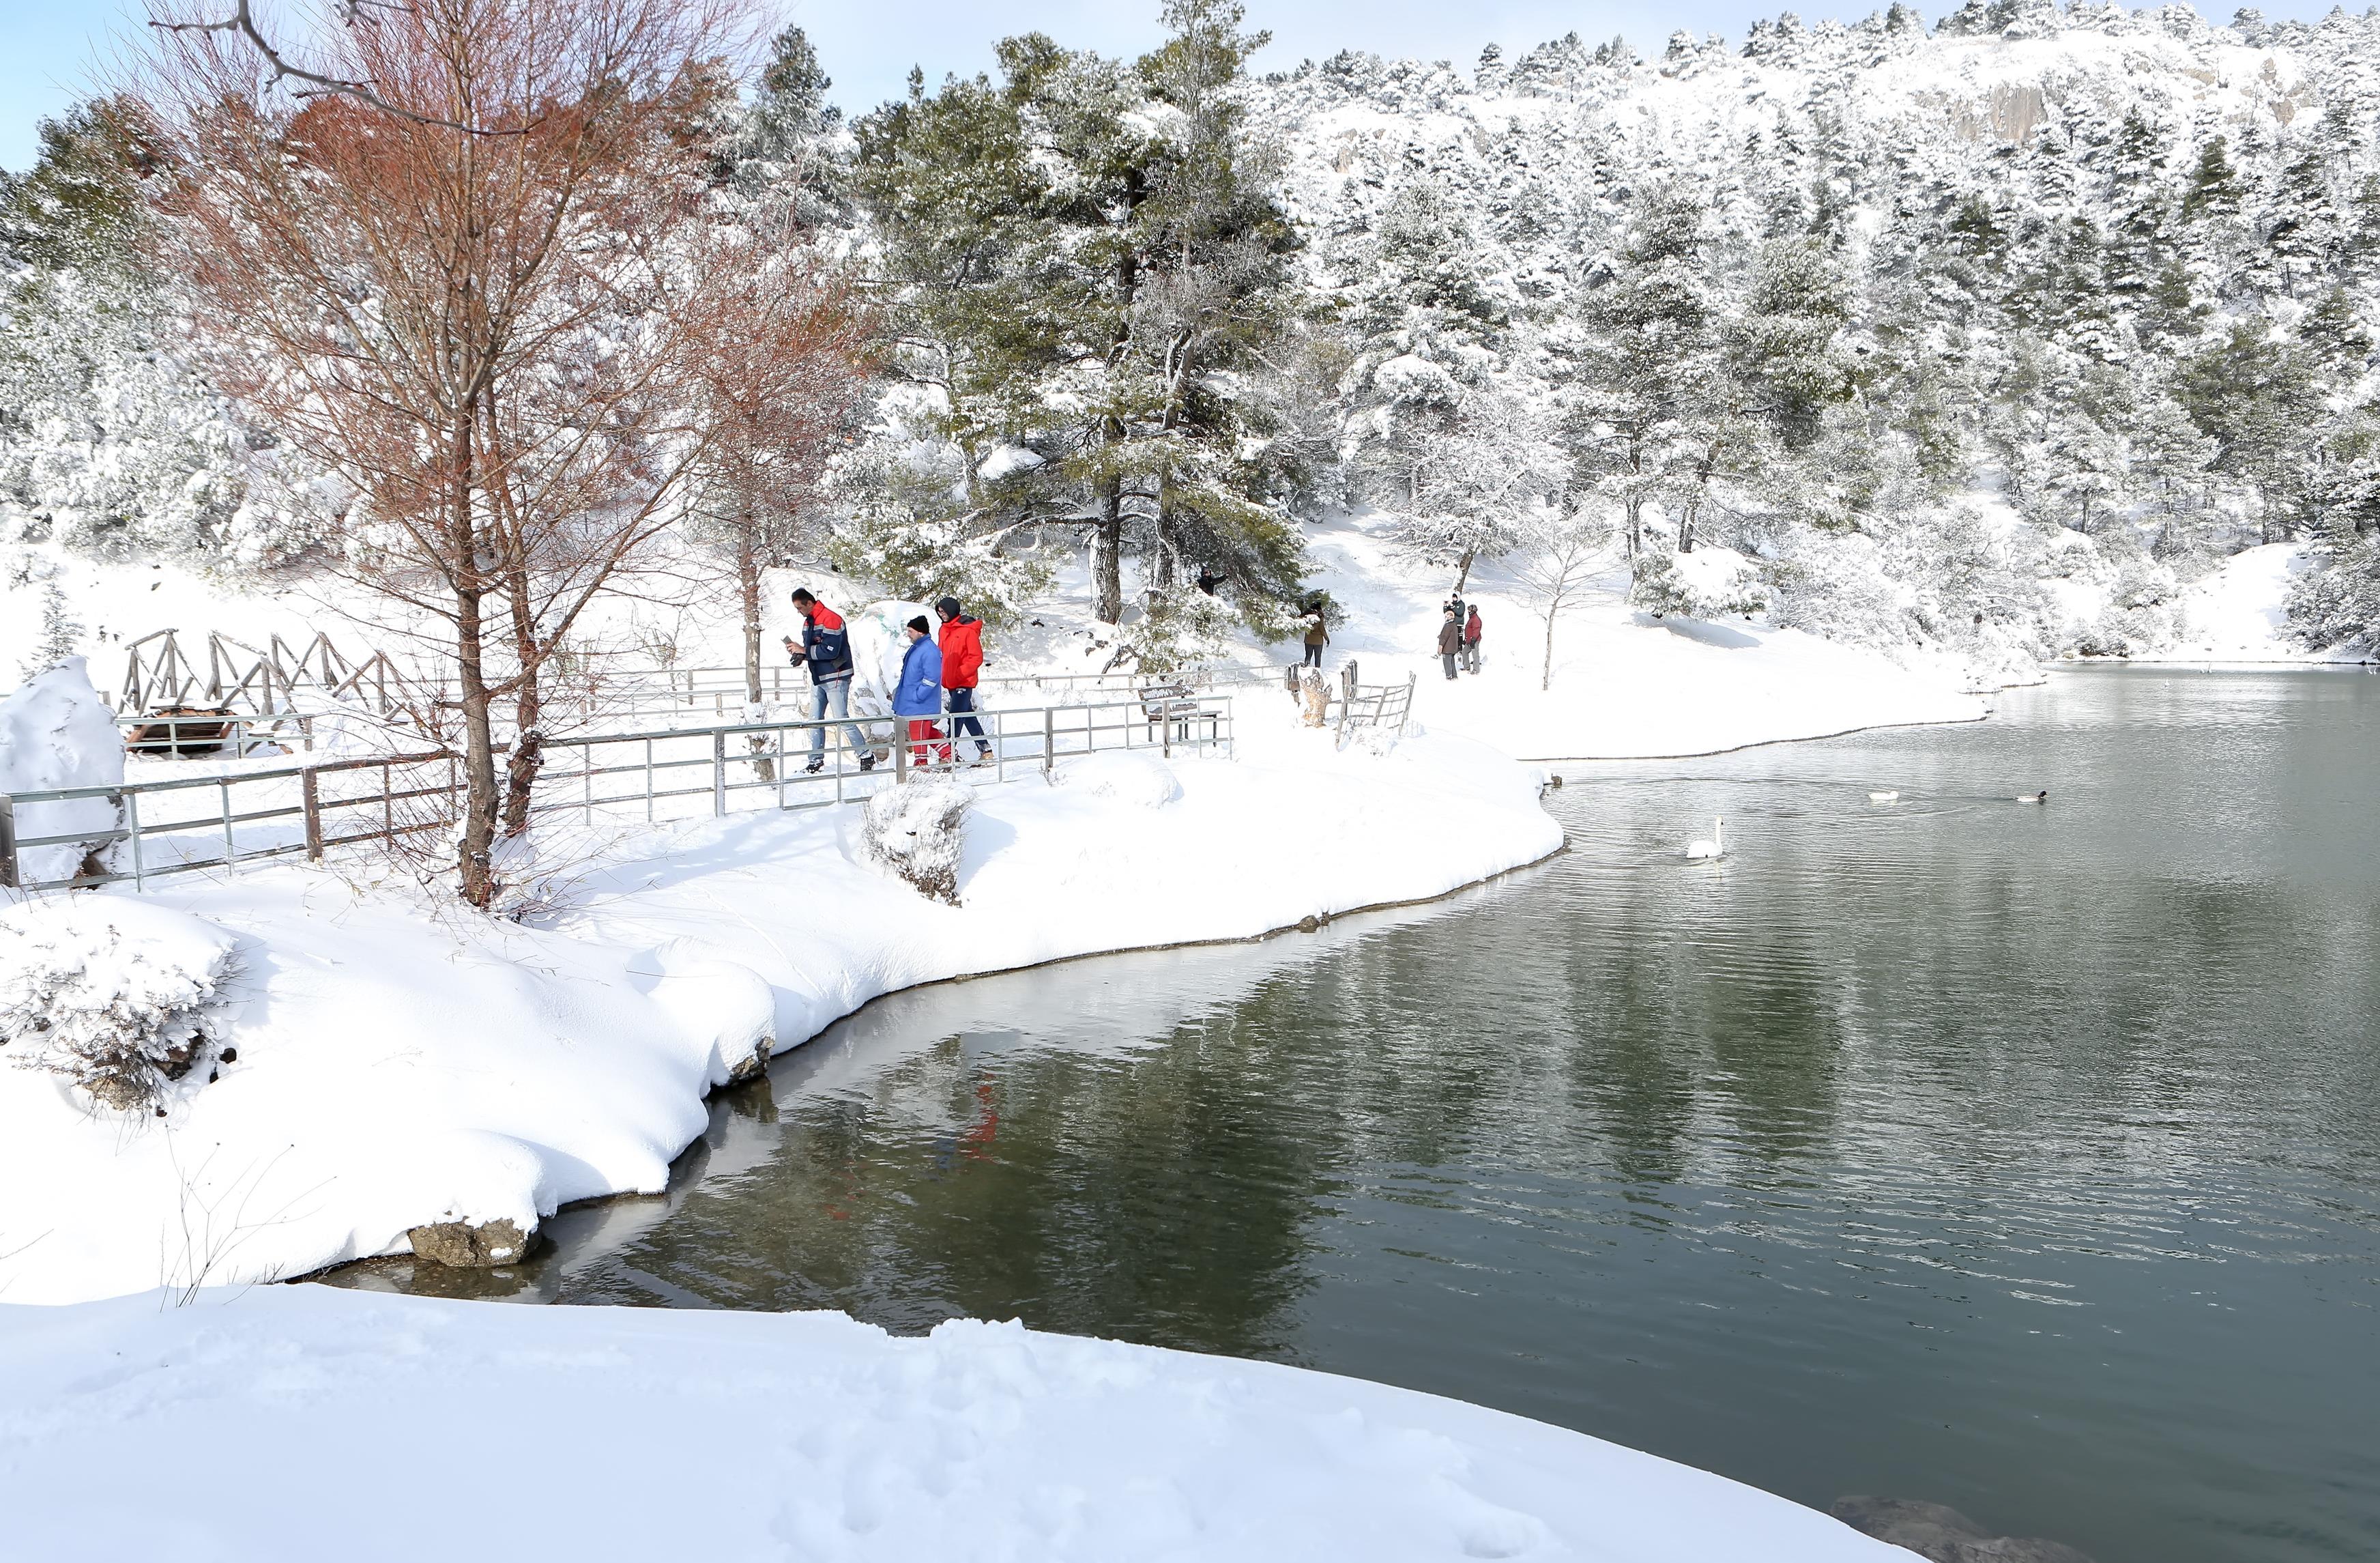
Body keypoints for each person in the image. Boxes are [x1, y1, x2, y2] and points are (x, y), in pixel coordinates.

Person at [784, 588, 874, 773]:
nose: (799, 611)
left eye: (800, 607)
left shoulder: (830, 619)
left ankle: (865, 755)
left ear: (810, 603)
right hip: (819, 676)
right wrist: (801, 654)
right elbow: (811, 649)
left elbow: (830, 650)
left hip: (836, 675)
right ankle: (816, 760)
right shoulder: (808, 622)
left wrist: (804, 651)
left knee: (841, 719)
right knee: (814, 720)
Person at [935, 595, 993, 766]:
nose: (942, 615)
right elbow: (941, 653)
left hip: (963, 681)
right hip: (950, 681)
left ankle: (948, 754)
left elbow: (976, 657)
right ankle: (986, 751)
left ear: (952, 611)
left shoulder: (967, 630)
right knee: (967, 717)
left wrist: (960, 673)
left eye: (944, 611)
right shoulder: (943, 630)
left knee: (955, 718)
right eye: (939, 612)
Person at [894, 615, 953, 766]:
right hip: (913, 700)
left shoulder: (929, 650)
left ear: (921, 632)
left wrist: (918, 695)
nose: (908, 634)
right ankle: (948, 752)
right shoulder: (918, 648)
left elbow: (932, 677)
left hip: (921, 702)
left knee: (918, 730)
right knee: (925, 730)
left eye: (911, 631)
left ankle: (921, 762)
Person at [1436, 605, 1462, 680]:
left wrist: (1441, 645)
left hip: (1447, 648)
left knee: (1447, 663)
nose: (1445, 617)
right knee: (1452, 662)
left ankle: (1449, 676)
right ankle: (1454, 676)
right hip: (1453, 648)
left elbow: (1445, 637)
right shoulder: (1454, 625)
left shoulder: (1448, 626)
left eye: (1446, 616)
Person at [1301, 601, 1329, 669]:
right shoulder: (1320, 616)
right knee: (1318, 657)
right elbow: (1322, 629)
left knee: (1308, 655)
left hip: (1308, 640)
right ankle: (1317, 670)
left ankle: (1306, 668)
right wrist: (1327, 638)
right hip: (1318, 641)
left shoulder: (1306, 616)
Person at [1463, 604, 1483, 674]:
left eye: (1470, 610)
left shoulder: (1476, 619)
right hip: (1469, 640)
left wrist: (1473, 640)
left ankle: (1476, 670)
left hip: (1474, 640)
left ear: (1473, 611)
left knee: (1475, 654)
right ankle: (1467, 667)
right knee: (1464, 652)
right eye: (1468, 610)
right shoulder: (1471, 618)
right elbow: (1469, 630)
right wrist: (1466, 639)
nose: (1468, 611)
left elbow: (1476, 630)